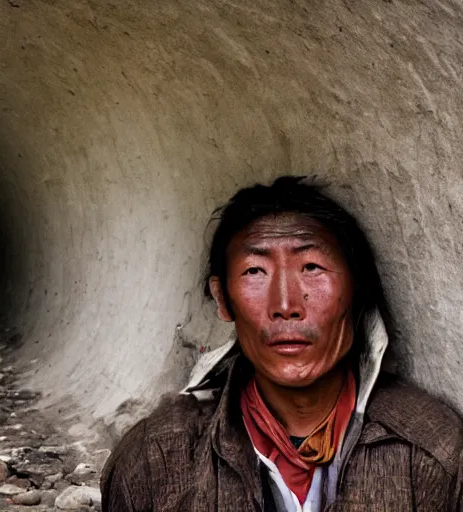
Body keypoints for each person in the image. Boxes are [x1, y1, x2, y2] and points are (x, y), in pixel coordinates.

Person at [101, 176, 463, 511]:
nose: (286, 306)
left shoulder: (435, 454)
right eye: (254, 271)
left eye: (312, 267)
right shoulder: (154, 460)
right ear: (223, 299)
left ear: (357, 291)